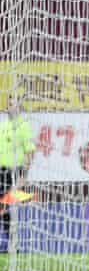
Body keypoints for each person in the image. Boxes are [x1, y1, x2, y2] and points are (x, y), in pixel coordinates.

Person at [0, 94, 36, 249]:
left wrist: (23, 176)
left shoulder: (24, 126)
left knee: (7, 207)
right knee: (3, 209)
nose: (10, 106)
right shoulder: (3, 124)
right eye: (9, 103)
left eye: (14, 104)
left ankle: (13, 245)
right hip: (1, 171)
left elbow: (30, 152)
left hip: (14, 172)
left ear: (19, 106)